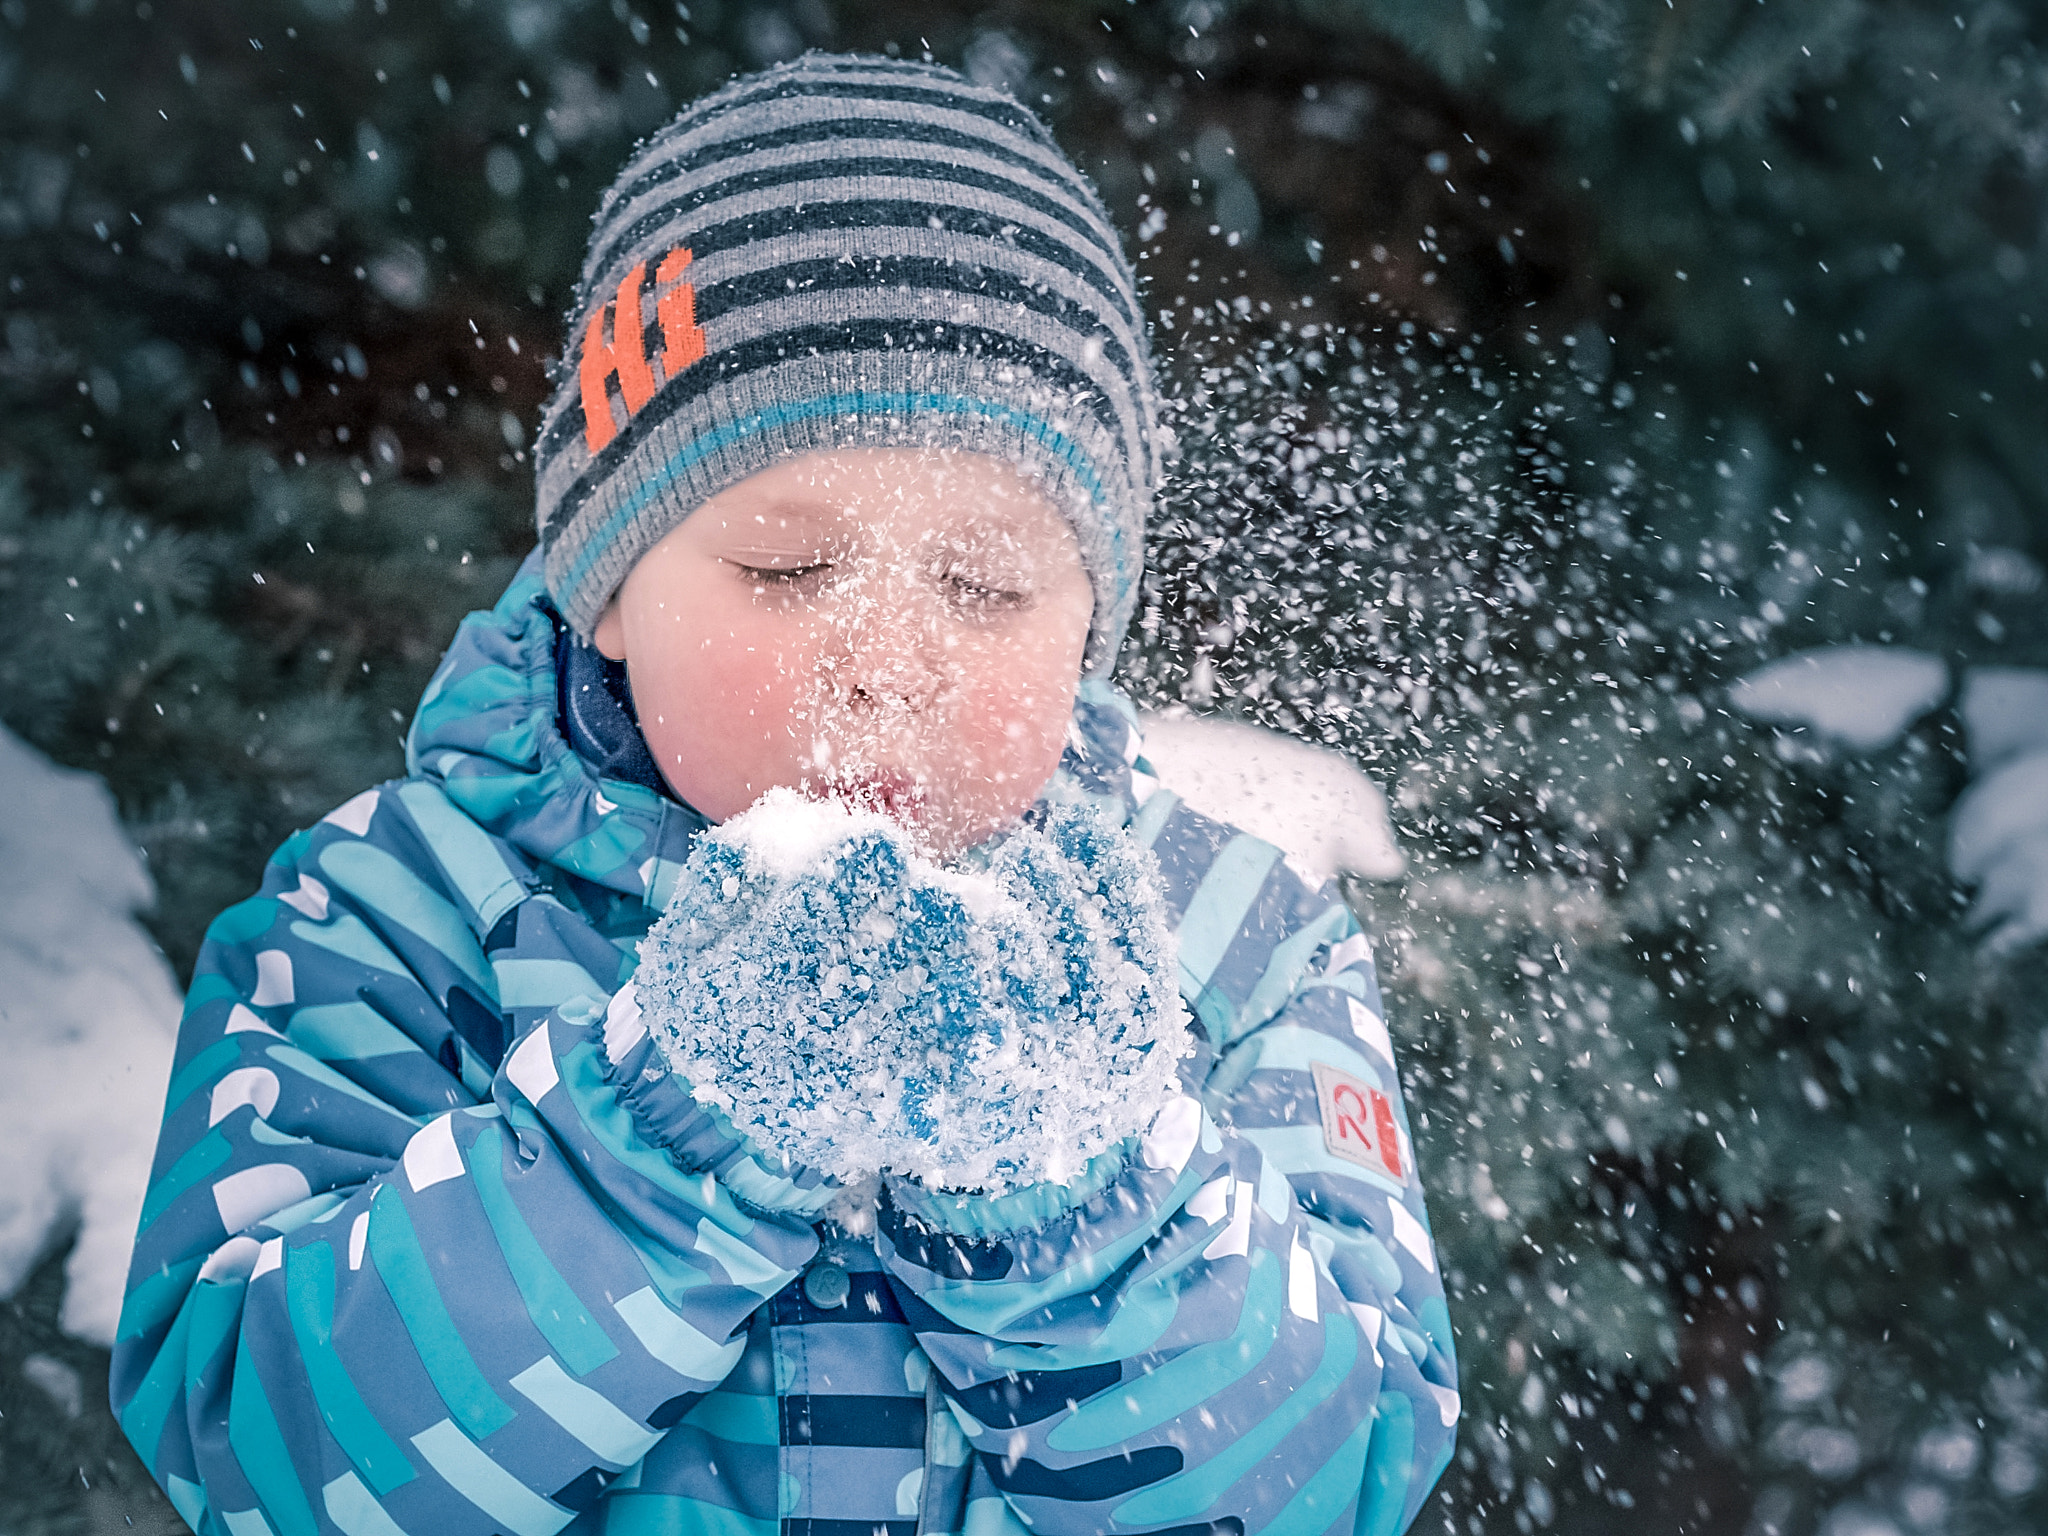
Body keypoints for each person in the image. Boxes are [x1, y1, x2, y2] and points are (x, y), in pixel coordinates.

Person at [113, 53, 1459, 1536]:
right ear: (608, 586)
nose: (888, 663)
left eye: (988, 584)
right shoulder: (395, 919)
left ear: (1089, 628)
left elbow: (1340, 1486)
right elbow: (257, 1457)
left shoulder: (1232, 950)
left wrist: (1071, 1185)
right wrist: (665, 1130)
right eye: (792, 568)